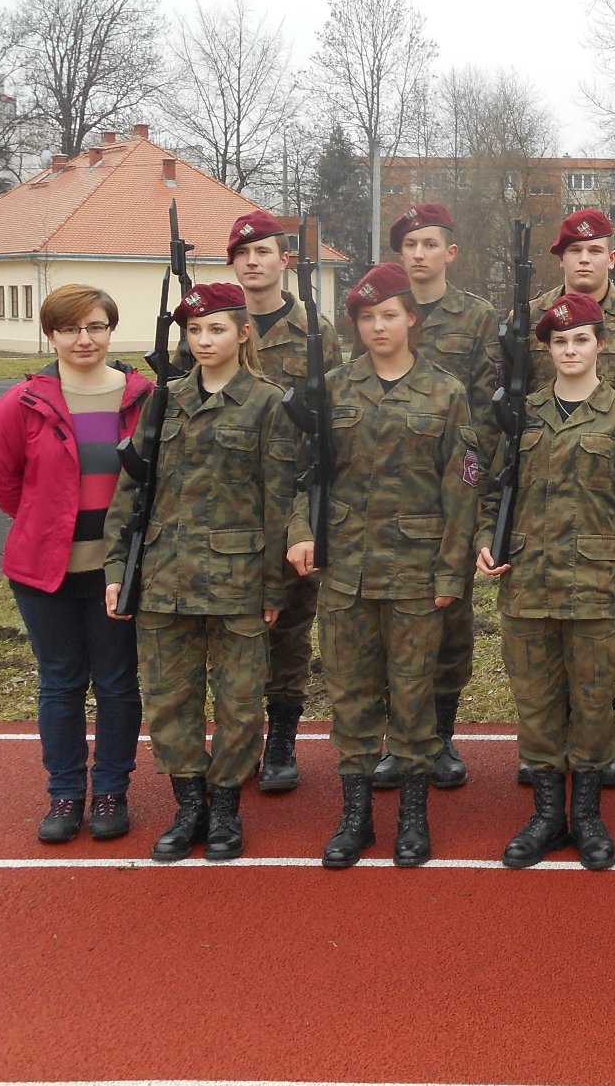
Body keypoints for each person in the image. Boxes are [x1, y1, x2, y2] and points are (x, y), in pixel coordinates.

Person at [286, 263, 483, 868]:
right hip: (346, 569)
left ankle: (413, 817)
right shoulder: (331, 389)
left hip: (416, 572)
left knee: (414, 695)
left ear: (411, 320)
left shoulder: (446, 392)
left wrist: (451, 573)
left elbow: (463, 489)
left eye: (389, 315)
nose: (378, 326)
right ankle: (356, 818)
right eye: (367, 317)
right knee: (350, 697)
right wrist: (300, 533)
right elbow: (302, 475)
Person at [103, 282, 295, 863]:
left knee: (240, 701)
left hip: (239, 581)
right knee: (169, 699)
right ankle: (189, 807)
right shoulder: (164, 400)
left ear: (243, 334)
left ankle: (226, 808)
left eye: (217, 329)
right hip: (163, 578)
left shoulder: (268, 403)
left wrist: (275, 584)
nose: (204, 340)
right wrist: (117, 568)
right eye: (194, 330)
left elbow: (280, 499)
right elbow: (131, 489)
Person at [478, 291, 615, 870]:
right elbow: (493, 489)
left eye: (582, 339)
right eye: (560, 341)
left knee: (593, 705)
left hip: (597, 589)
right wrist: (485, 539)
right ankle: (547, 817)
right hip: (528, 583)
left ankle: (587, 817)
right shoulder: (521, 415)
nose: (571, 349)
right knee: (536, 706)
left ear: (601, 345)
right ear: (547, 350)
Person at [0, 285, 153, 843]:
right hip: (45, 571)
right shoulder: (20, 404)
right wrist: (51, 526)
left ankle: (110, 790)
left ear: (111, 330)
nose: (85, 339)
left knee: (117, 682)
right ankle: (64, 794)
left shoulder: (146, 399)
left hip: (119, 573)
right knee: (60, 683)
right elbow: (5, 483)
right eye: (71, 329)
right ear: (52, 335)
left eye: (96, 326)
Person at [525, 207, 615, 790]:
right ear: (561, 258)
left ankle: (595, 737)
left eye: (595, 251)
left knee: (598, 636)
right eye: (574, 251)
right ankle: (547, 745)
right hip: (542, 482)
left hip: (606, 476)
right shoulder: (531, 317)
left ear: (613, 257)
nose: (584, 260)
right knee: (539, 648)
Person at [368, 203, 500, 793]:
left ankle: (441, 735)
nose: (418, 253)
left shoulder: (477, 317)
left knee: (449, 619)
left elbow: (488, 408)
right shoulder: (382, 309)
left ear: (451, 251)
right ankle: (397, 738)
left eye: (428, 243)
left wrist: (471, 481)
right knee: (387, 623)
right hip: (385, 492)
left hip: (451, 488)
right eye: (409, 244)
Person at [226, 209, 344, 795]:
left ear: (283, 260)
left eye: (264, 252)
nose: (253, 262)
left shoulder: (316, 331)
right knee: (232, 626)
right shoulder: (217, 323)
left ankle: (282, 740)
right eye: (243, 253)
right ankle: (240, 735)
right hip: (229, 498)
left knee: (291, 626)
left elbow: (334, 417)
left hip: (296, 497)